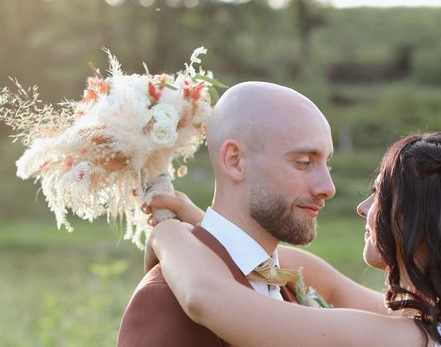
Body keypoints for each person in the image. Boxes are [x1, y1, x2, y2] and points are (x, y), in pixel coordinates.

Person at [146, 132, 441, 346]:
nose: (363, 209)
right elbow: (320, 280)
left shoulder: (406, 340)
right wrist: (205, 222)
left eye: (382, 197)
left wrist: (166, 232)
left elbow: (208, 300)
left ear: (426, 227)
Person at [117, 81, 341, 346]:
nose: (328, 188)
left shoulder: (288, 286)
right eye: (304, 163)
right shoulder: (166, 297)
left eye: (327, 164)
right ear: (234, 161)